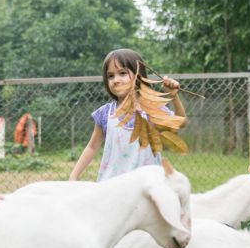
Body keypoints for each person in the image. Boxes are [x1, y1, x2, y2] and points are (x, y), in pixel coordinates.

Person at [69, 48, 183, 181]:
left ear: (138, 75)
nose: (115, 80)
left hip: (145, 187)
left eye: (122, 73)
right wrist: (74, 175)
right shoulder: (105, 114)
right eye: (110, 76)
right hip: (112, 187)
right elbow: (92, 146)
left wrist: (174, 97)